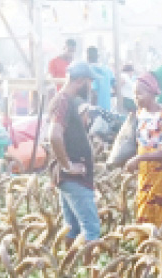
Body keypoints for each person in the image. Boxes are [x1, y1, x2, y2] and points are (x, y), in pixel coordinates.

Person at [48, 61, 99, 248]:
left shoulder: (67, 101)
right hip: (73, 177)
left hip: (69, 177)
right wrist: (68, 165)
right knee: (91, 230)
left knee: (72, 229)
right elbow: (54, 135)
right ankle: (91, 274)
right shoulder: (63, 101)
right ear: (80, 81)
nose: (91, 87)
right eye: (89, 82)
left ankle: (68, 271)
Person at [125, 73, 162, 226]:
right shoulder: (140, 114)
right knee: (146, 206)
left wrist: (138, 159)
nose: (136, 97)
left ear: (151, 93)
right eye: (134, 94)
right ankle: (147, 243)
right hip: (146, 170)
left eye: (140, 93)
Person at [85, 47, 115, 112]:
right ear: (98, 56)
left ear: (87, 56)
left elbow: (94, 93)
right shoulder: (107, 69)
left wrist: (92, 112)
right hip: (107, 110)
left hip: (96, 112)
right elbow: (116, 88)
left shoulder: (88, 70)